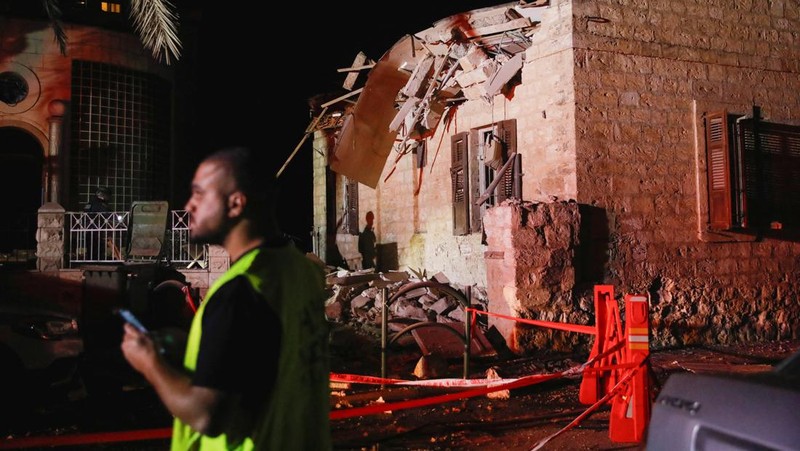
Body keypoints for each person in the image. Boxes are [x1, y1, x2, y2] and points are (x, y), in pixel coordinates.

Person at [120, 146, 331, 450]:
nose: (188, 205)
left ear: (235, 203)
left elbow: (207, 416)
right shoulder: (301, 270)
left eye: (199, 194)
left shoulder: (241, 289)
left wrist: (149, 362)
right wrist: (192, 347)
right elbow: (265, 359)